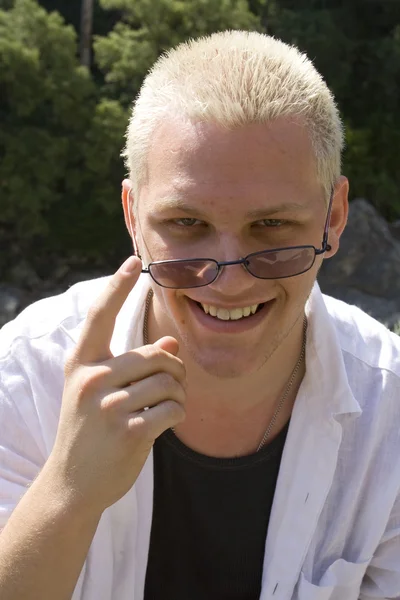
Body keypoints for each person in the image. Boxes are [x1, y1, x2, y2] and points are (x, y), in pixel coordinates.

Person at [0, 30, 399, 600]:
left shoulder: (390, 415)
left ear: (333, 219)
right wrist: (68, 490)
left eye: (272, 227)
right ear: (134, 216)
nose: (230, 276)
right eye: (187, 225)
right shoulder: (23, 375)